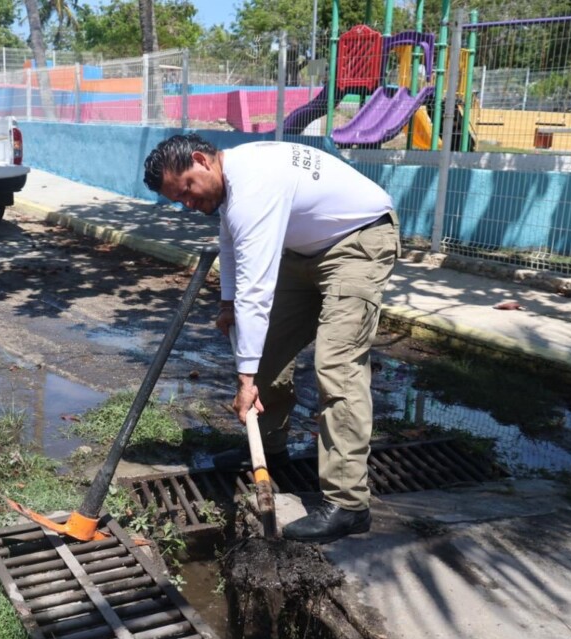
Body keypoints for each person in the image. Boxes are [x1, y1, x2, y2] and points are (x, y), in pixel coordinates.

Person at [143, 134, 400, 543]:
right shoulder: (231, 182)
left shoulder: (253, 186)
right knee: (262, 352)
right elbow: (229, 245)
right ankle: (268, 447)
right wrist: (227, 305)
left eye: (187, 190)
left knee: (337, 366)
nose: (188, 204)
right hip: (304, 254)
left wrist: (244, 382)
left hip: (359, 242)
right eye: (179, 200)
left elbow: (256, 290)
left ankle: (350, 504)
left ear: (201, 161)